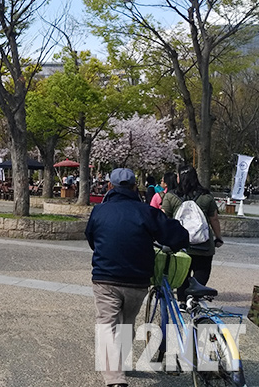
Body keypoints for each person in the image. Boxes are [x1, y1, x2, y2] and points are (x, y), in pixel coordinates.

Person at [85, 168, 189, 387]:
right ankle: (119, 365)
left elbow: (92, 239)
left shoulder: (99, 211)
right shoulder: (146, 212)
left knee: (107, 324)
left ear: (110, 187)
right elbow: (175, 235)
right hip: (137, 280)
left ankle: (114, 379)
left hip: (105, 277)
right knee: (127, 322)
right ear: (134, 187)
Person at [161, 165, 223, 305]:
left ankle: (182, 301)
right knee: (202, 270)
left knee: (182, 272)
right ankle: (193, 297)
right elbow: (214, 219)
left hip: (180, 243)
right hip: (203, 244)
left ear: (179, 178)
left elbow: (164, 218)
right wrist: (218, 237)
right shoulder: (206, 197)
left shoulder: (171, 196)